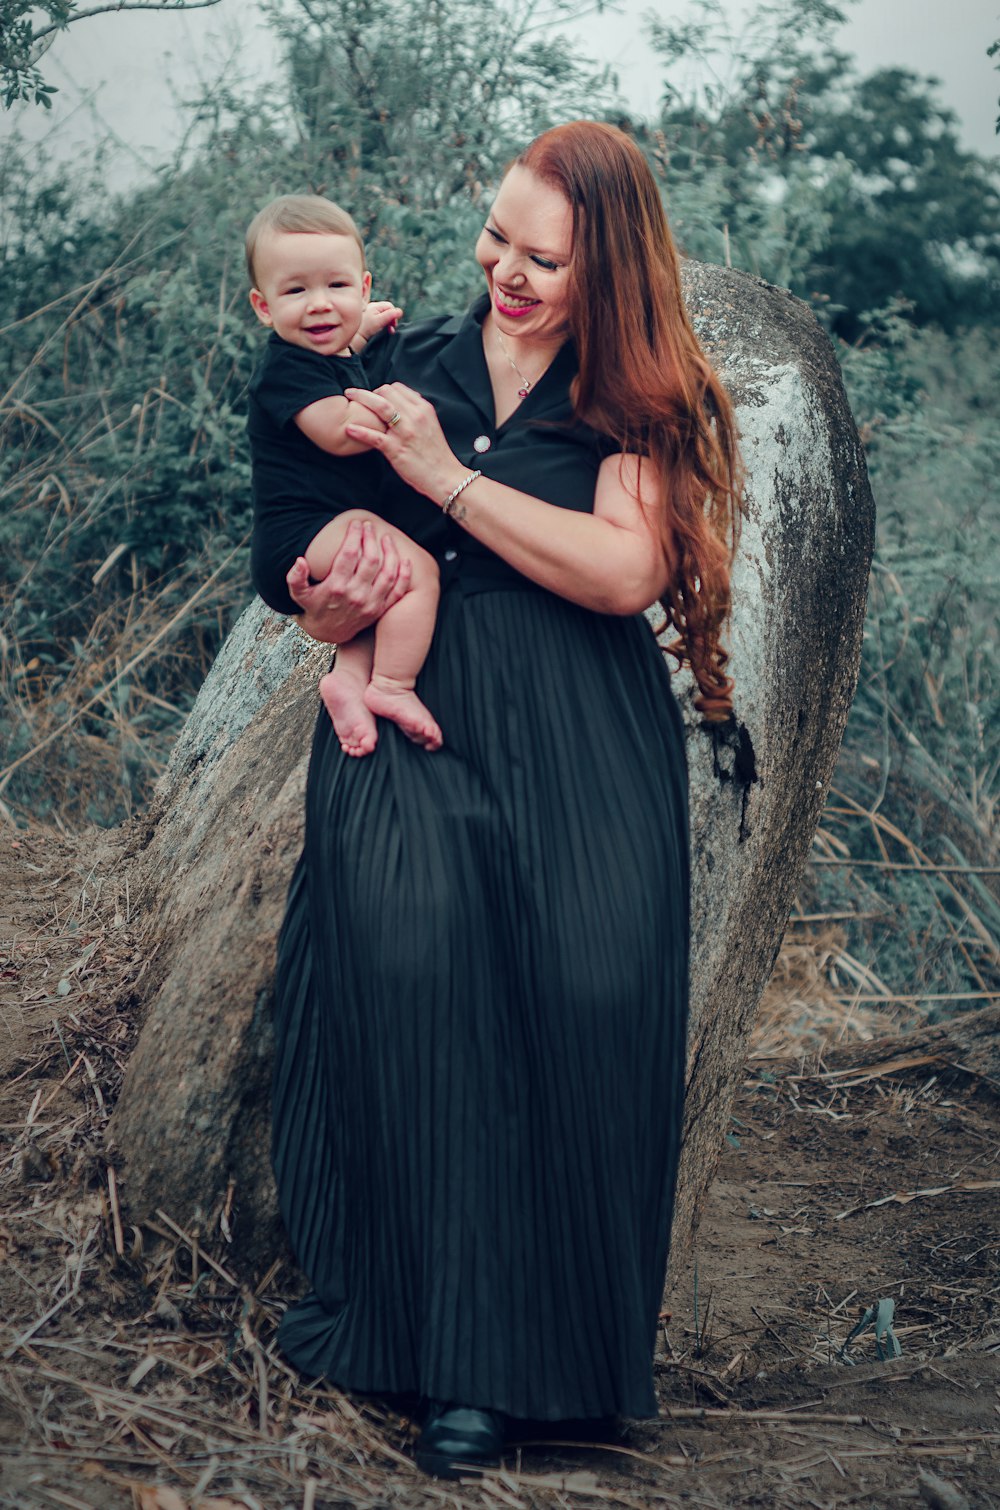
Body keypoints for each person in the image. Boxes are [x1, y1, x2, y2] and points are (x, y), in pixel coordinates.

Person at [268, 121, 742, 1479]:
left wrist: (444, 477)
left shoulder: (640, 396)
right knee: (421, 962)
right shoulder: (401, 363)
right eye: (497, 239)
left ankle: (571, 1369)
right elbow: (317, 549)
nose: (510, 274)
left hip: (584, 733)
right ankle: (456, 1369)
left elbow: (618, 570)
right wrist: (326, 596)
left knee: (590, 986)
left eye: (547, 259)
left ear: (612, 272)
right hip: (417, 711)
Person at [246, 194, 442, 756]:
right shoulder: (283, 369)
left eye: (337, 287)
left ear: (363, 286)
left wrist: (359, 334)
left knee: (374, 597)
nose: (318, 306)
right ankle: (392, 686)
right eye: (295, 291)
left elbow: (335, 364)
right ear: (263, 307)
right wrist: (398, 403)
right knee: (416, 575)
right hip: (301, 535)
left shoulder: (320, 353)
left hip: (322, 527)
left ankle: (348, 682)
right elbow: (337, 427)